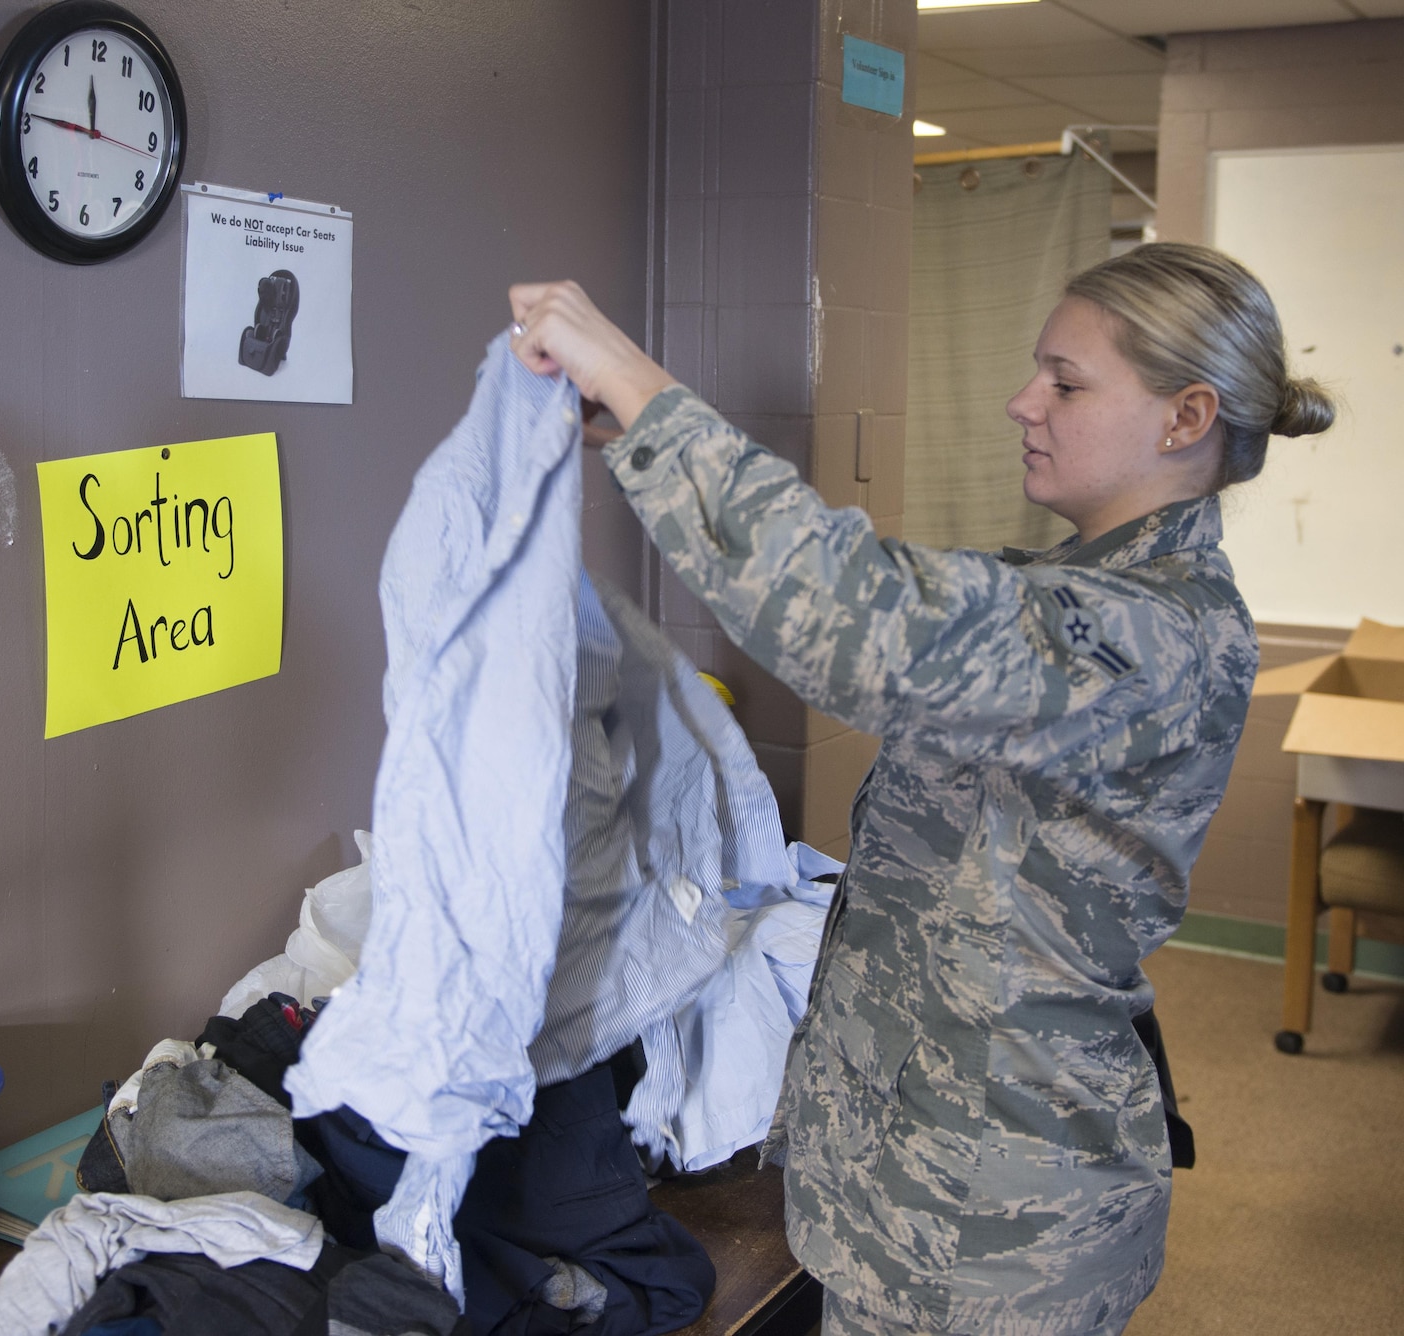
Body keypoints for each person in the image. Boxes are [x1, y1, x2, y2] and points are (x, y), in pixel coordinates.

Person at [506, 243, 1335, 1336]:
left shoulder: (1153, 634)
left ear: (1183, 419)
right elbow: (893, 603)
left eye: (1065, 382)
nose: (1019, 402)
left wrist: (631, 382)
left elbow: (854, 618)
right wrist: (638, 442)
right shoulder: (1078, 589)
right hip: (909, 1185)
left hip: (990, 1229)